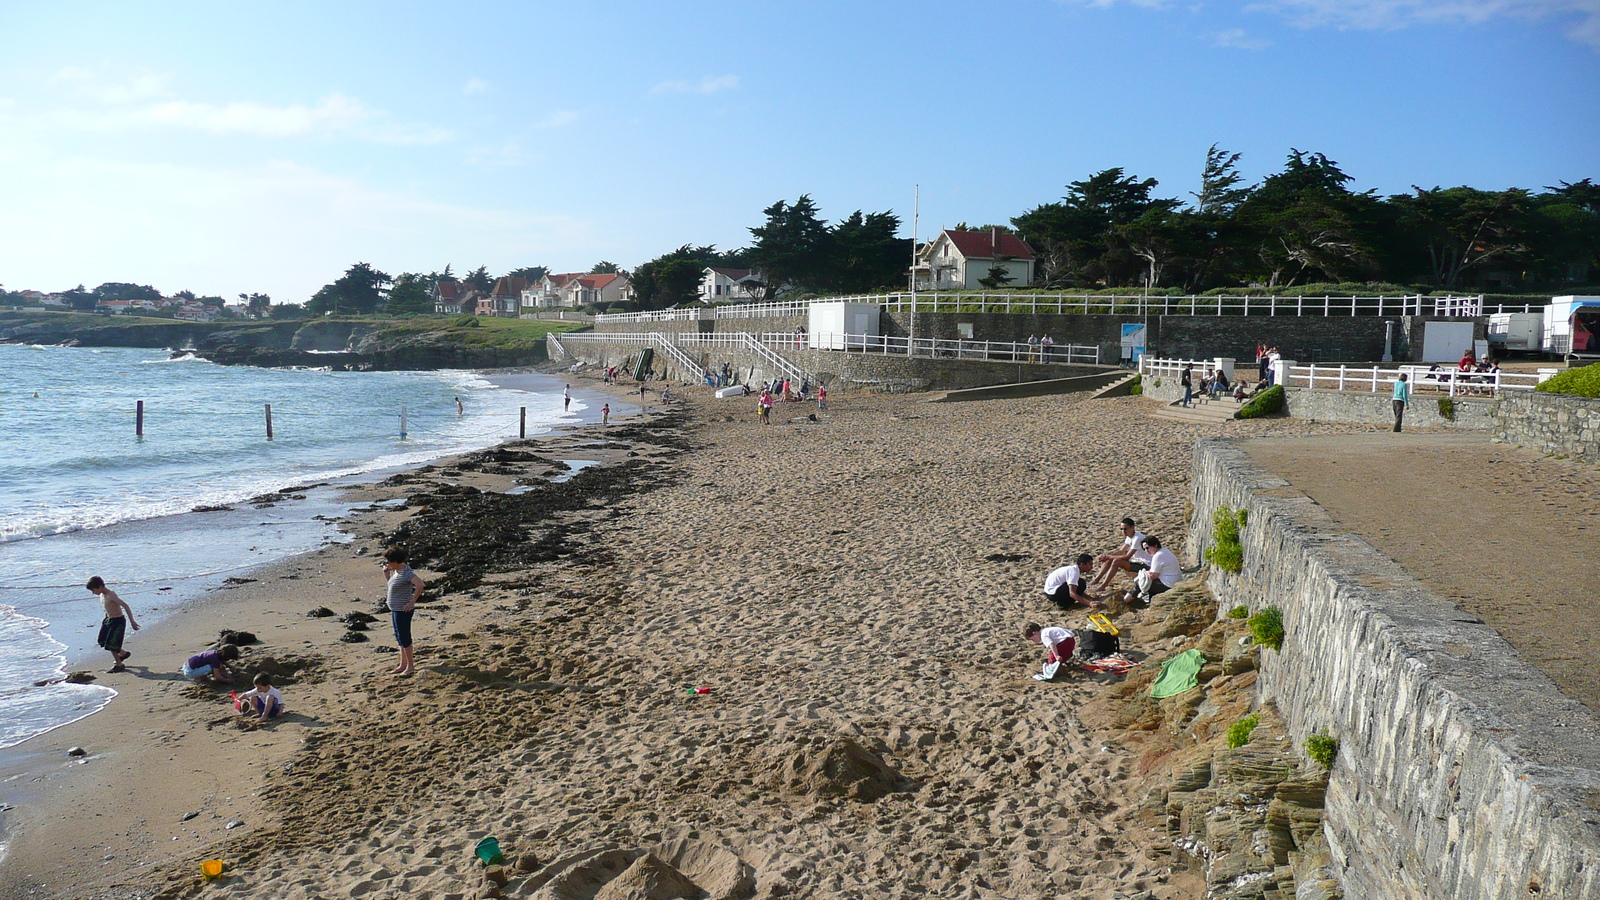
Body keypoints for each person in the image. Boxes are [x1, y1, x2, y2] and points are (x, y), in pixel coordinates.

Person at [382, 546, 425, 676]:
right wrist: (387, 575)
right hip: (395, 609)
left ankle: (410, 666)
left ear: (396, 561)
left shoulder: (406, 572)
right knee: (399, 637)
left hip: (403, 610)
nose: (387, 564)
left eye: (389, 561)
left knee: (405, 637)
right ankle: (403, 665)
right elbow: (395, 586)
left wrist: (412, 602)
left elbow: (420, 584)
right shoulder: (396, 571)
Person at [87, 576, 139, 673]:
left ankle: (119, 664)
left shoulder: (111, 594)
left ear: (100, 587)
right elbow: (108, 608)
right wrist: (106, 618)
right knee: (102, 640)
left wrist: (132, 621)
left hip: (118, 621)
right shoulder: (101, 595)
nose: (93, 593)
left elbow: (125, 605)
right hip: (108, 620)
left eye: (94, 590)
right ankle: (123, 653)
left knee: (112, 644)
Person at [1091, 518, 1148, 590]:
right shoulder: (1130, 536)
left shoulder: (1137, 538)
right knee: (1111, 558)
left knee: (1115, 561)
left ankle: (1103, 586)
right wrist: (1106, 556)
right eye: (1121, 529)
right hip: (1137, 561)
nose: (1123, 531)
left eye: (1125, 529)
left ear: (1132, 528)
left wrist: (1109, 556)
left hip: (1145, 565)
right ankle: (1097, 579)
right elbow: (1121, 551)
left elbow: (1127, 557)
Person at [1125, 536, 1182, 606]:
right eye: (1144, 549)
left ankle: (1125, 602)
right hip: (1174, 581)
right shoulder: (1164, 551)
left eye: (1147, 548)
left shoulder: (1158, 556)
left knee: (1139, 584)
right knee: (1146, 583)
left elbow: (1153, 576)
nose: (1146, 551)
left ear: (1155, 545)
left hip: (1168, 584)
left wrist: (1147, 573)